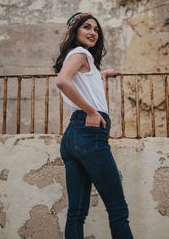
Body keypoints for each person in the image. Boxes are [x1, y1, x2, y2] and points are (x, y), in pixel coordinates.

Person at [53, 12, 134, 239]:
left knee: (76, 213)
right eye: (86, 27)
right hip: (89, 134)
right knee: (118, 209)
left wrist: (102, 74)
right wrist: (91, 110)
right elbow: (62, 82)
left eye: (96, 29)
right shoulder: (80, 53)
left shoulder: (77, 57)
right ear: (75, 31)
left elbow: (80, 80)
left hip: (72, 138)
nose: (93, 33)